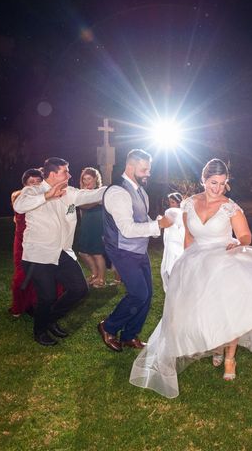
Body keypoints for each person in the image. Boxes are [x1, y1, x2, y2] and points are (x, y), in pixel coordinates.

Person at [129, 159, 252, 398]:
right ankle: (216, 346)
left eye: (222, 183)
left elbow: (246, 235)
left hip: (225, 258)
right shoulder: (189, 204)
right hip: (197, 260)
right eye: (213, 183)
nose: (217, 188)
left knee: (231, 311)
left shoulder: (231, 207)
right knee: (206, 310)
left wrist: (238, 242)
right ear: (203, 180)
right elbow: (189, 239)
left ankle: (230, 358)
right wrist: (185, 264)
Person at [13, 157, 106, 346]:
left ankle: (49, 319)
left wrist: (115, 188)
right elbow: (19, 206)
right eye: (65, 171)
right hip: (38, 254)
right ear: (53, 174)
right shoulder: (33, 190)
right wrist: (47, 196)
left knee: (79, 289)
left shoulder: (69, 192)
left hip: (62, 252)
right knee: (47, 296)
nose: (69, 175)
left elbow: (90, 195)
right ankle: (40, 331)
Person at [97, 149, 172, 353]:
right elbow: (128, 229)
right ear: (130, 167)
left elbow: (142, 220)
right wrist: (159, 226)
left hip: (139, 250)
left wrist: (159, 225)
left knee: (147, 295)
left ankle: (130, 335)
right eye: (144, 169)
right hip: (122, 250)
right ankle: (108, 326)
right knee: (138, 294)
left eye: (149, 169)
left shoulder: (141, 192)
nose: (148, 173)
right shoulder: (118, 192)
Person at [9, 168, 63, 317]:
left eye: (38, 181)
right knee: (23, 275)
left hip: (44, 241)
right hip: (22, 243)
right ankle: (20, 306)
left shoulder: (49, 196)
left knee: (46, 273)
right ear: (25, 184)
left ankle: (39, 303)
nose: (34, 184)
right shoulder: (20, 197)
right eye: (31, 182)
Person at [77, 167, 107, 288]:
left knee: (97, 252)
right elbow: (81, 206)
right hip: (86, 224)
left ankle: (101, 279)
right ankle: (94, 274)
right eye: (84, 179)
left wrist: (87, 202)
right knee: (83, 252)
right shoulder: (82, 193)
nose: (86, 181)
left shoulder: (100, 191)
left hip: (97, 224)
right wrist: (94, 201)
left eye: (89, 178)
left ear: (95, 179)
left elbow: (85, 206)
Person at [161, 192, 185, 292]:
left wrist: (160, 219)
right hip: (174, 243)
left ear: (179, 203)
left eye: (173, 202)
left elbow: (163, 224)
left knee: (171, 267)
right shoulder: (183, 213)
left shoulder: (172, 212)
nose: (171, 204)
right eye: (170, 202)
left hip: (175, 244)